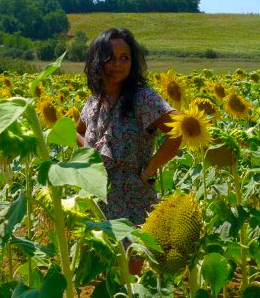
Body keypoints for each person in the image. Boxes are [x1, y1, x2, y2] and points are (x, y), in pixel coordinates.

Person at [76, 28, 181, 275]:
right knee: (104, 268)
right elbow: (77, 131)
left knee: (129, 272)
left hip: (132, 196)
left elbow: (178, 131)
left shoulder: (143, 98)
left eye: (125, 57)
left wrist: (150, 169)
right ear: (97, 60)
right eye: (110, 57)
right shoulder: (95, 99)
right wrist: (89, 152)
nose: (118, 64)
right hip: (99, 196)